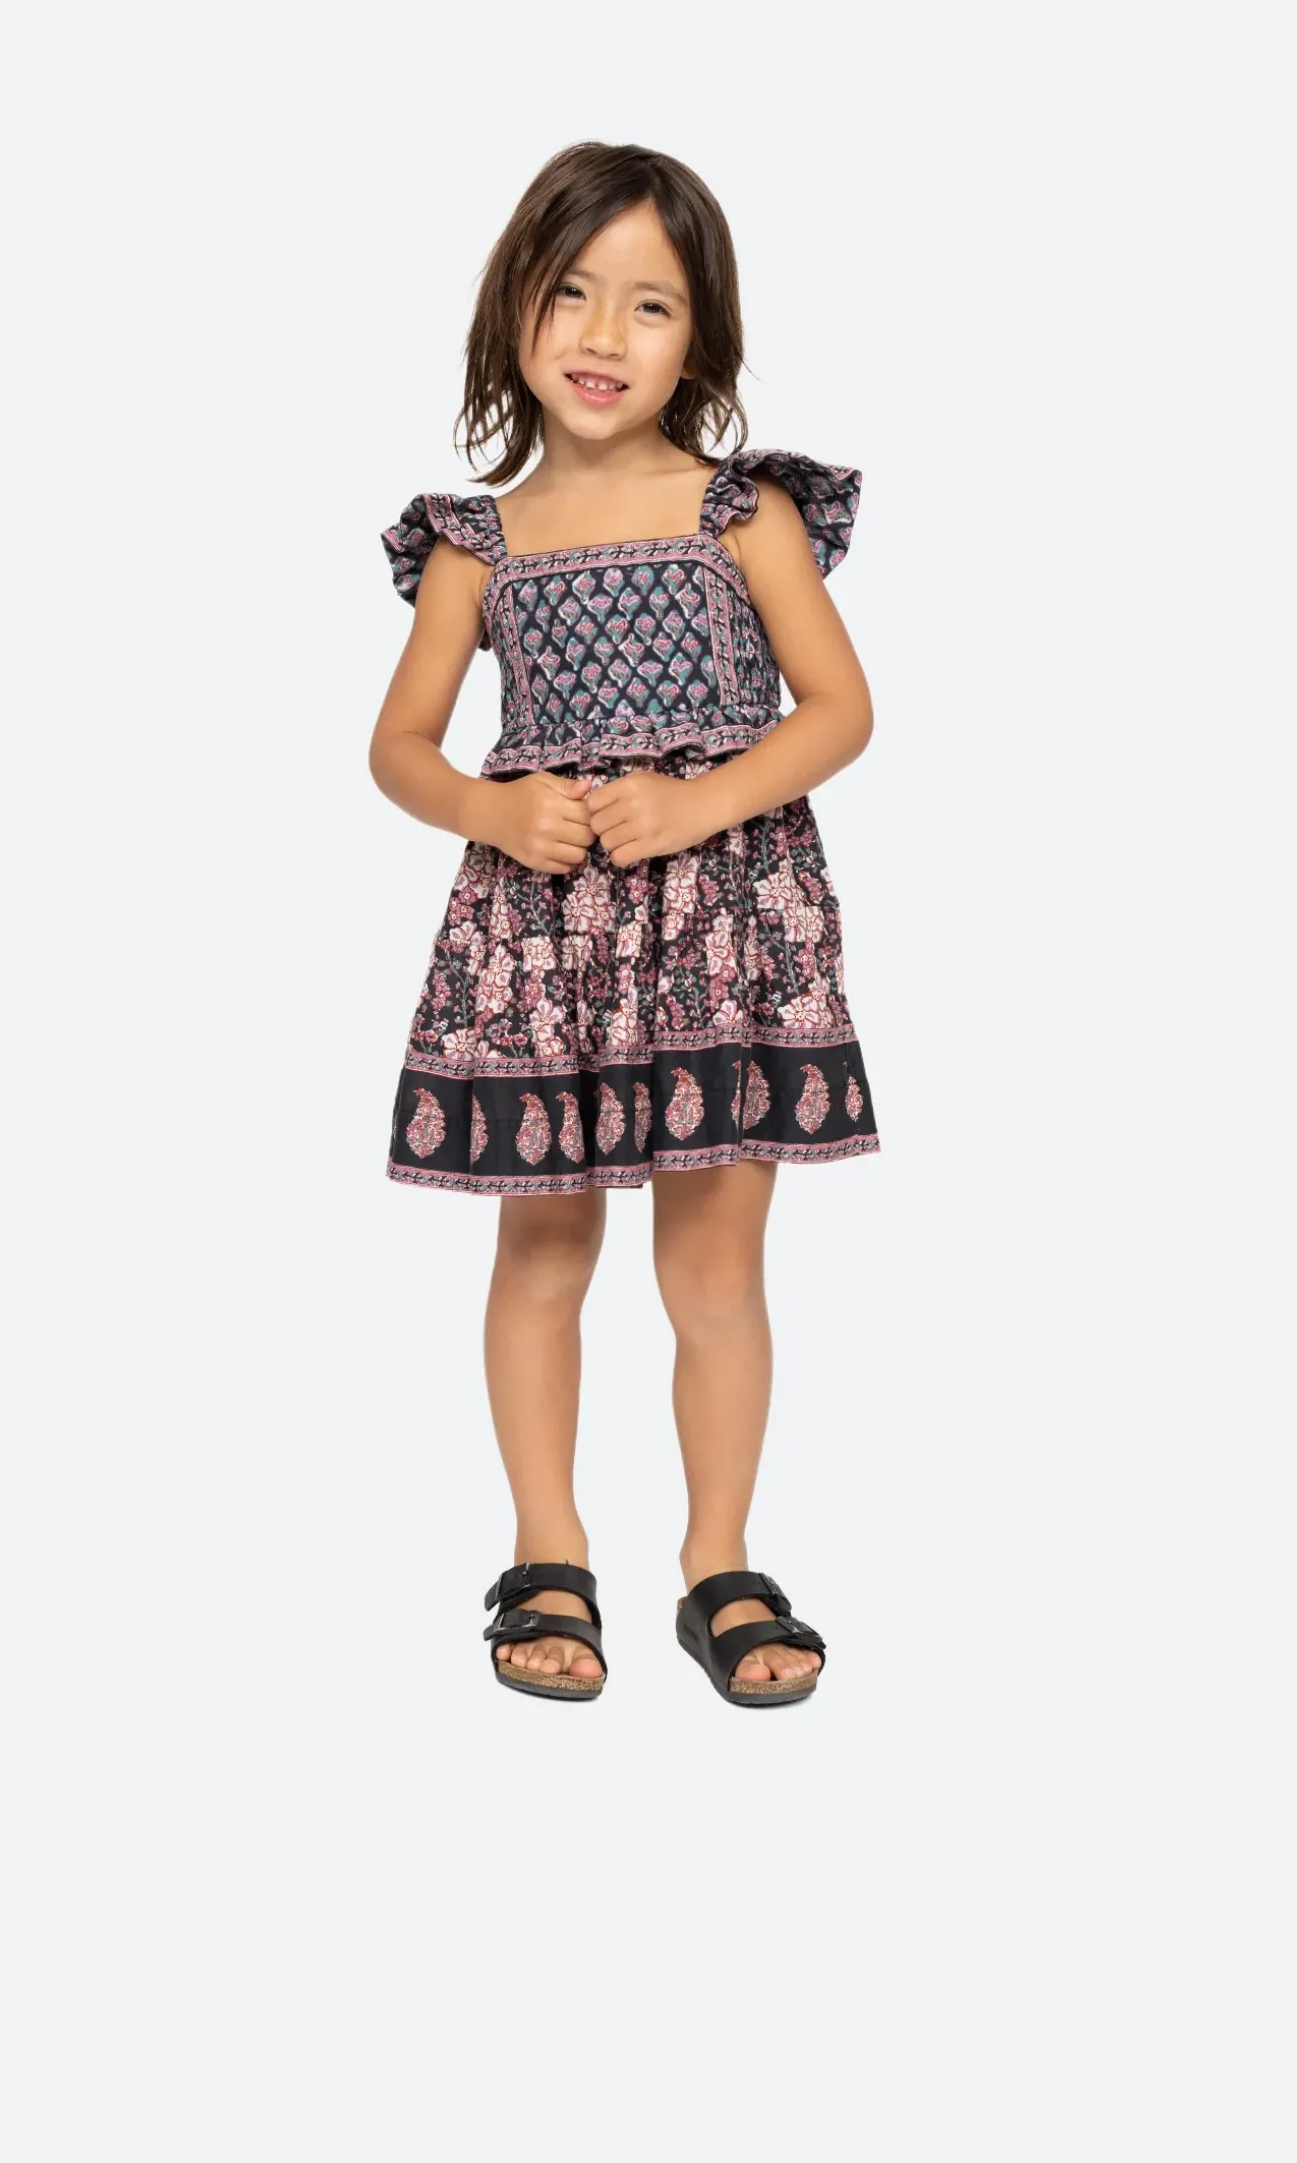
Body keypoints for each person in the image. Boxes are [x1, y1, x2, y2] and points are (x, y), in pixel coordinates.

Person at [369, 141, 879, 1707]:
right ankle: (549, 1551)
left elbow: (839, 708)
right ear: (512, 312)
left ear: (700, 336)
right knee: (544, 1245)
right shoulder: (478, 544)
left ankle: (719, 1560)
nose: (604, 336)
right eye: (571, 293)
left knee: (715, 1267)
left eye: (650, 305)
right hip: (548, 941)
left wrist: (701, 803)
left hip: (724, 927)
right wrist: (491, 810)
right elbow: (401, 745)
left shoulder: (744, 514)